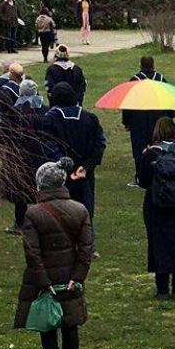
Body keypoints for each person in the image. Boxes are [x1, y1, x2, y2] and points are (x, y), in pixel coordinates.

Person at [16, 159, 94, 349]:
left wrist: (43, 281)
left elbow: (32, 252)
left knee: (47, 327)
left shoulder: (33, 214)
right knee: (70, 326)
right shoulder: (80, 210)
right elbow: (86, 248)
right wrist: (77, 276)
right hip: (70, 275)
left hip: (47, 278)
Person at [137, 117, 175, 300]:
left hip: (156, 206)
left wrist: (143, 158)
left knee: (159, 245)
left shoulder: (150, 154)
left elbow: (142, 181)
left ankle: (162, 289)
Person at [40, 83, 105, 246]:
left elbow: (48, 144)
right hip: (85, 172)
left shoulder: (50, 119)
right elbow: (100, 144)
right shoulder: (89, 118)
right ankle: (87, 244)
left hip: (61, 172)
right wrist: (87, 165)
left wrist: (62, 162)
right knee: (85, 207)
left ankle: (65, 243)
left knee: (61, 208)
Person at [0, 76, 45, 231]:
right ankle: (41, 221)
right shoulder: (45, 110)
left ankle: (20, 223)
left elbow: (4, 133)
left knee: (20, 192)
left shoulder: (15, 112)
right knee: (40, 187)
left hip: (19, 156)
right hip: (39, 155)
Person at [122, 56, 170, 173]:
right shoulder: (160, 79)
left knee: (139, 147)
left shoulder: (135, 80)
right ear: (153, 65)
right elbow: (168, 98)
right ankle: (159, 170)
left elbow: (128, 102)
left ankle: (140, 174)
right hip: (158, 118)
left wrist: (126, 121)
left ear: (141, 66)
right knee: (158, 144)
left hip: (138, 119)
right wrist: (169, 116)